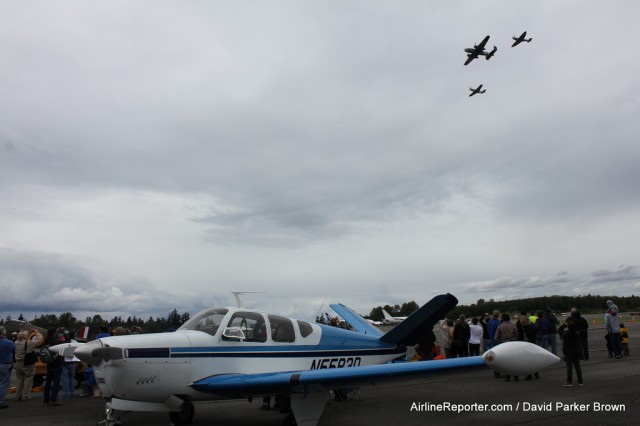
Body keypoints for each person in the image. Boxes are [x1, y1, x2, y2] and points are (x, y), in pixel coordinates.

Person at [14, 330, 44, 401]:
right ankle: (25, 395)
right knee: (28, 379)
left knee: (19, 379)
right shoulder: (29, 343)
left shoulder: (15, 343)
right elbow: (39, 341)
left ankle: (18, 395)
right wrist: (37, 333)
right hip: (27, 363)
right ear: (25, 337)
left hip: (18, 363)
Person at [43, 328, 65, 407]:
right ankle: (53, 399)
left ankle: (46, 400)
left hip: (49, 364)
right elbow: (65, 343)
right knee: (56, 383)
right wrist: (63, 334)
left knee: (48, 383)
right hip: (57, 363)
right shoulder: (57, 342)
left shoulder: (46, 341)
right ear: (54, 334)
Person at [558, 317, 583, 386]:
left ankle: (569, 381)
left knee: (569, 367)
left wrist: (565, 324)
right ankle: (580, 381)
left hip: (568, 352)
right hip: (575, 351)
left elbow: (559, 330)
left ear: (568, 327)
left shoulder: (565, 335)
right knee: (577, 366)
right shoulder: (577, 335)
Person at [495, 313, 518, 382]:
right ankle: (516, 376)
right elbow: (517, 336)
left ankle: (508, 377)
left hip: (504, 345)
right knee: (514, 362)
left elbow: (496, 337)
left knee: (506, 362)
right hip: (512, 344)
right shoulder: (513, 326)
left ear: (502, 319)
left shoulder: (500, 326)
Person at [0, 326, 16, 409]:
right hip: (5, 365)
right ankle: (1, 401)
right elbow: (14, 349)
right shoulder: (9, 342)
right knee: (3, 384)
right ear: (3, 333)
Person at [61, 330, 80, 399]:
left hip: (64, 363)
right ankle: (72, 393)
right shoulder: (75, 342)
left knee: (65, 379)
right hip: (73, 363)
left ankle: (66, 394)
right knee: (71, 379)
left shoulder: (63, 343)